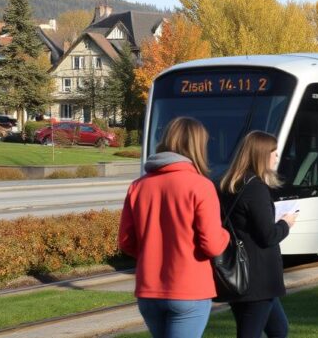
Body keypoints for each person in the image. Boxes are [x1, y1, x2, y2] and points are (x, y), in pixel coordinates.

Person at [119, 117, 231, 338]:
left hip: (149, 289)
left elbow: (126, 241)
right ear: (198, 146)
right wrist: (225, 234)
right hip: (190, 288)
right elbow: (212, 245)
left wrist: (152, 254)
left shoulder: (138, 186)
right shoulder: (201, 186)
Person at [217, 131, 299, 338]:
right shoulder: (255, 188)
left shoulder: (228, 184)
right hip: (257, 278)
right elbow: (268, 235)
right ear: (261, 155)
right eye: (274, 153)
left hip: (239, 274)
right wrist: (285, 223)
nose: (277, 157)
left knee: (279, 329)